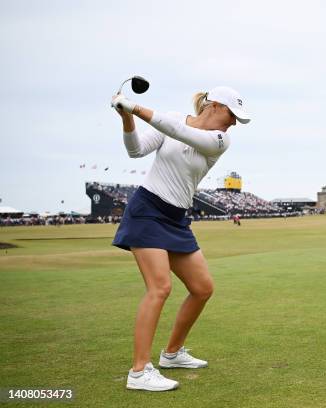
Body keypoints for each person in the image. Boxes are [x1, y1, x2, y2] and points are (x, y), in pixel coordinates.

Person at [110, 85, 250, 391]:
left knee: (202, 288)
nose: (233, 123)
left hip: (176, 218)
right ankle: (138, 372)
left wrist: (133, 106)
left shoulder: (219, 140)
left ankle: (171, 354)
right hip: (147, 209)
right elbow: (135, 150)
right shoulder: (171, 119)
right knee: (160, 288)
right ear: (213, 106)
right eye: (231, 114)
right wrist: (126, 116)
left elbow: (179, 131)